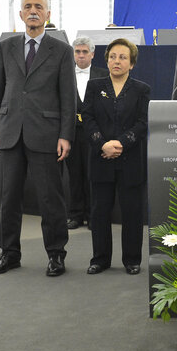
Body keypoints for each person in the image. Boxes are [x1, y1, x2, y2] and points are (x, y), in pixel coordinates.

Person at [0, 0, 75, 277]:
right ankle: (9, 253)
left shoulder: (61, 50)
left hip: (47, 134)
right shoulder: (5, 46)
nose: (33, 11)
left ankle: (56, 254)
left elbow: (68, 98)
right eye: (28, 7)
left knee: (51, 199)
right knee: (9, 197)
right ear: (20, 15)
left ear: (48, 14)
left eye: (39, 7)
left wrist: (66, 135)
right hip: (9, 132)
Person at [81, 38, 150, 275]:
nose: (116, 61)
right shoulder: (94, 85)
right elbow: (87, 118)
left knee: (132, 212)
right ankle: (100, 259)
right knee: (99, 211)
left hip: (131, 160)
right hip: (101, 158)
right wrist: (103, 145)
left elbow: (143, 123)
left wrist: (120, 143)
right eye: (112, 56)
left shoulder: (142, 89)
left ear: (132, 63)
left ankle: (132, 259)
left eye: (122, 57)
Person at [65, 37, 108, 230]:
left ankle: (93, 215)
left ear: (92, 53)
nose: (81, 55)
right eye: (77, 52)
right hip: (71, 132)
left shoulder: (103, 75)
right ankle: (75, 215)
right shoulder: (64, 74)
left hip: (95, 134)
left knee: (93, 175)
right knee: (74, 175)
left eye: (84, 52)